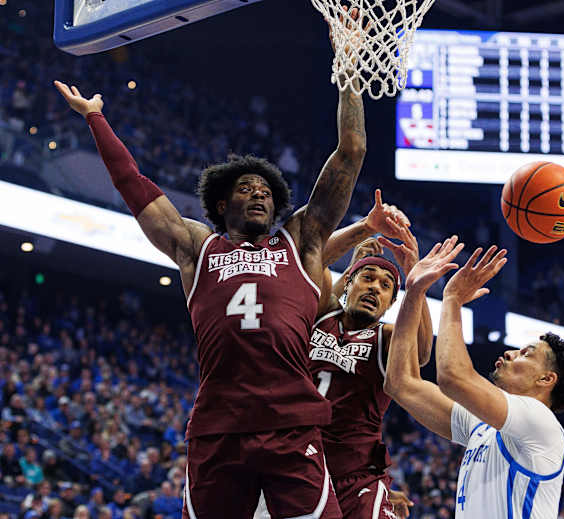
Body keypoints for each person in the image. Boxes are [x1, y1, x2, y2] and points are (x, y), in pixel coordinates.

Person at [54, 8, 369, 518]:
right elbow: (136, 189)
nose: (259, 195)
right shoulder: (197, 248)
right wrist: (95, 117)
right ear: (222, 203)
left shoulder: (302, 241)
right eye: (246, 188)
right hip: (219, 427)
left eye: (267, 190)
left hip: (293, 422)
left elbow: (350, 151)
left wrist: (350, 63)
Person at [383, 239, 564, 518]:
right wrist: (415, 290)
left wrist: (453, 299)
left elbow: (453, 377)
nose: (510, 353)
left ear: (546, 379)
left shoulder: (541, 424)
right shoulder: (483, 426)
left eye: (525, 354)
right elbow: (401, 383)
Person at [255, 211, 424, 519]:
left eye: (386, 286)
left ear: (390, 304)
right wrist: (360, 235)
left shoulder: (386, 336)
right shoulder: (322, 314)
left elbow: (422, 352)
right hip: (292, 464)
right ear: (349, 282)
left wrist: (415, 279)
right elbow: (311, 258)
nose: (375, 287)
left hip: (354, 476)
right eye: (367, 278)